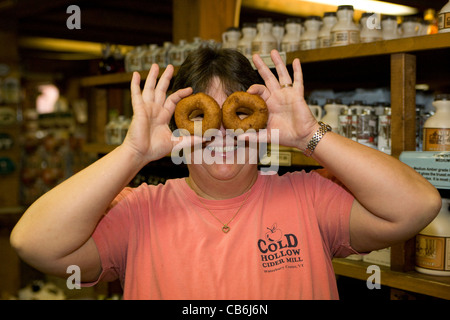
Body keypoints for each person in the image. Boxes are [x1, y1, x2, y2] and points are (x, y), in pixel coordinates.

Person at [10, 47, 441, 300]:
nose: (220, 132)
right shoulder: (137, 211)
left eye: (234, 113)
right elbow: (33, 244)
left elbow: (417, 206)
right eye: (202, 114)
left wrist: (310, 134)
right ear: (180, 125)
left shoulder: (311, 198)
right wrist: (133, 152)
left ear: (259, 119)